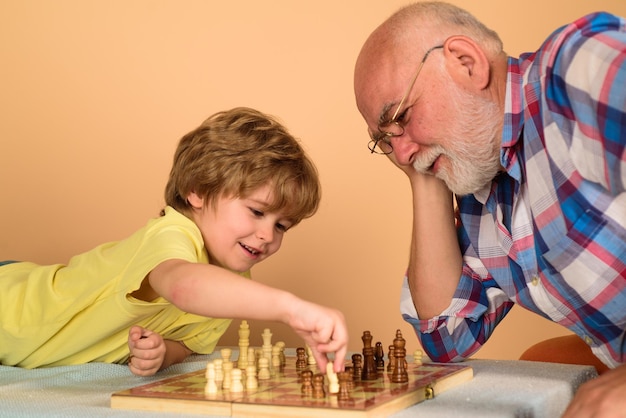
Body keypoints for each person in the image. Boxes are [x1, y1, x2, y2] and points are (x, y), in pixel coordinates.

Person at [353, 2, 624, 416]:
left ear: (466, 63)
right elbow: (448, 337)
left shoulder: (576, 67)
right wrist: (422, 170)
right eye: (384, 140)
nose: (400, 152)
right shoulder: (483, 197)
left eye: (402, 116)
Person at [0, 107, 348, 377]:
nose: (268, 236)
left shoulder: (233, 283)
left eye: (282, 226)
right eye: (257, 212)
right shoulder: (173, 234)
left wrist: (164, 352)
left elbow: (190, 342)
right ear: (197, 190)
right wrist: (289, 308)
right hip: (10, 306)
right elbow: (183, 285)